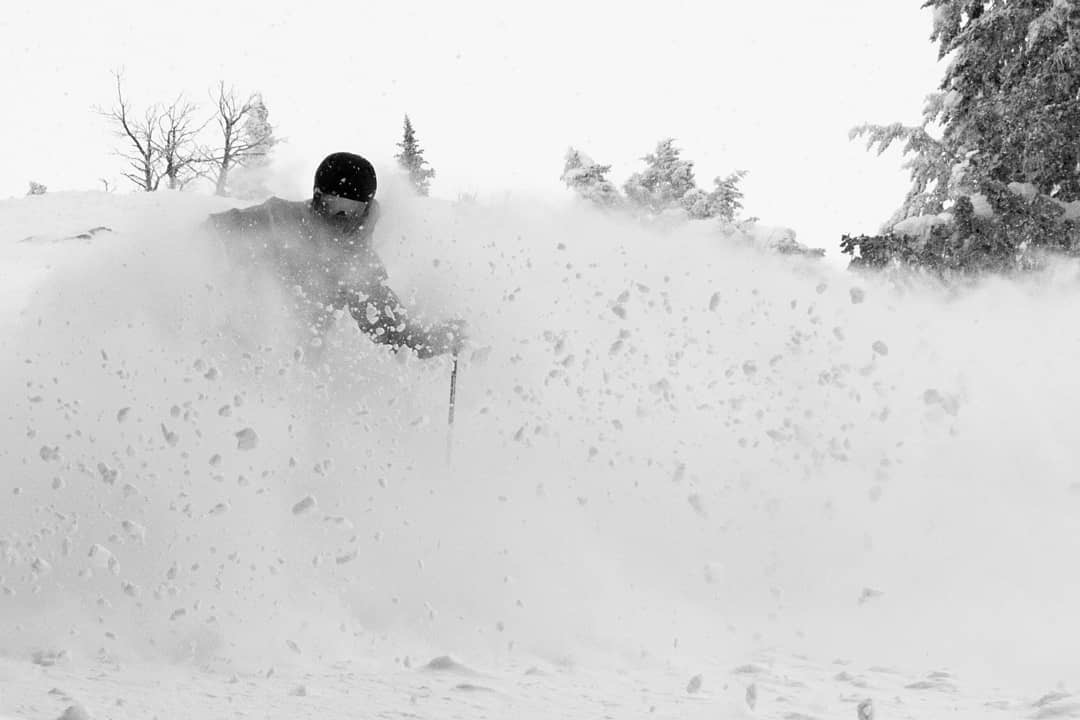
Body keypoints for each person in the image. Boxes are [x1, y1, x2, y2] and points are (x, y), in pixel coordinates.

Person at [206, 152, 464, 359]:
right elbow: (212, 234)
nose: (340, 218)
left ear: (365, 209)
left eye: (351, 209)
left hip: (300, 359)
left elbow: (386, 322)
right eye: (334, 205)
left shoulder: (356, 258)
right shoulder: (283, 219)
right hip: (243, 336)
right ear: (317, 198)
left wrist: (431, 340)